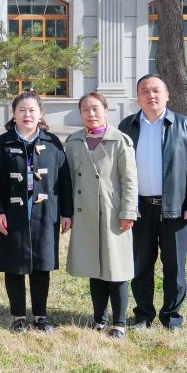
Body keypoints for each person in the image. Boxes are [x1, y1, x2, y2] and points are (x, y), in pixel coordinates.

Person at [118, 74, 187, 332]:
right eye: (144, 91)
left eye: (156, 90)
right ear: (137, 97)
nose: (151, 95)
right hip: (139, 208)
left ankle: (171, 317)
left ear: (167, 95)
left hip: (175, 208)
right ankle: (143, 316)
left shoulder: (185, 125)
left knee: (174, 267)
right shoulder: (127, 126)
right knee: (141, 265)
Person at [0, 89, 73, 333]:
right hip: (12, 213)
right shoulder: (1, 143)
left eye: (32, 110)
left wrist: (67, 213)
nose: (27, 114)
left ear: (40, 113)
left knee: (41, 265)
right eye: (22, 110)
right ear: (14, 113)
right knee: (13, 265)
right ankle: (19, 317)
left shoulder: (52, 142)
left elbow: (64, 180)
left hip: (45, 212)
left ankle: (40, 316)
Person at [64, 92, 138, 339]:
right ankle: (99, 320)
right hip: (84, 213)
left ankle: (119, 323)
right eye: (85, 109)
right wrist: (67, 212)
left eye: (96, 108)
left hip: (113, 214)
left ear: (106, 111)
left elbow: (129, 180)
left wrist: (128, 212)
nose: (91, 113)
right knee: (93, 267)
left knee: (116, 268)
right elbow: (68, 180)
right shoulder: (74, 141)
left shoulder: (120, 141)